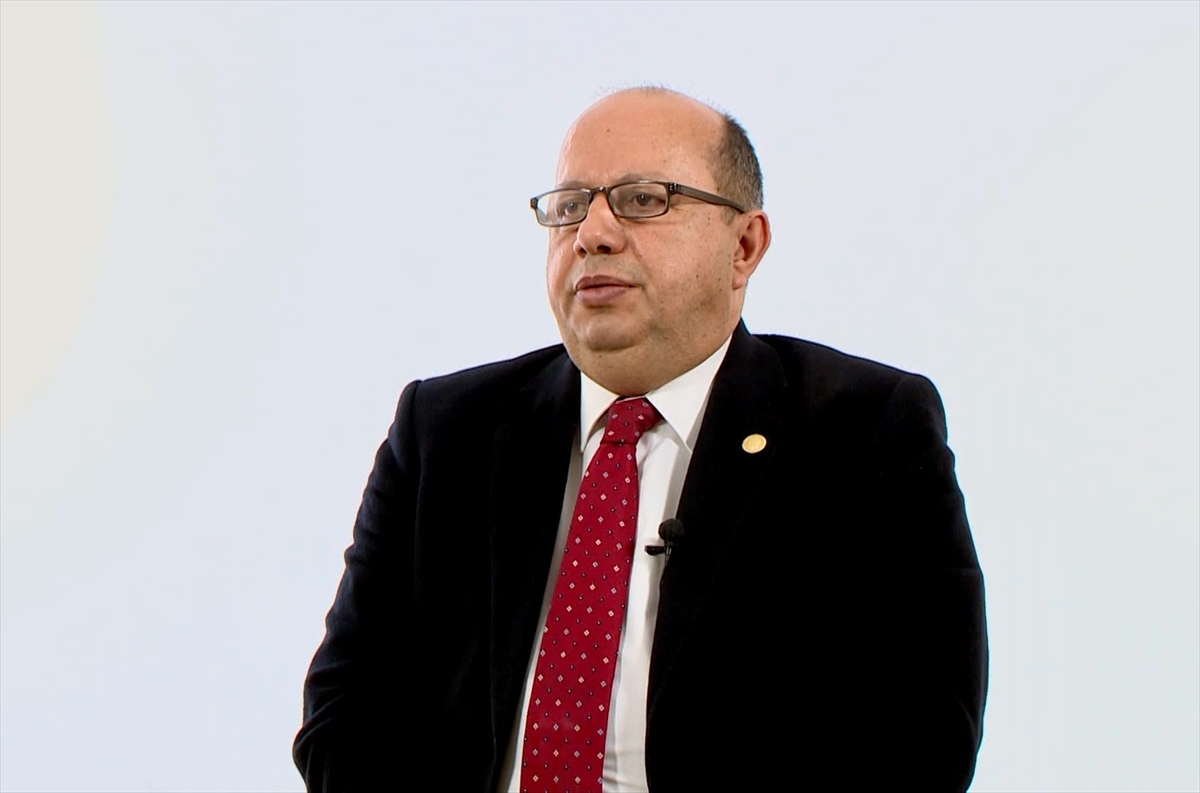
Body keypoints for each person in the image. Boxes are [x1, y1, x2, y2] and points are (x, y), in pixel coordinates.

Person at [293, 88, 988, 792]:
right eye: (569, 206)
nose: (591, 233)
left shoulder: (863, 430)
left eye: (644, 200)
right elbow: (341, 717)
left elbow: (924, 741)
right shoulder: (446, 429)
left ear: (744, 246)